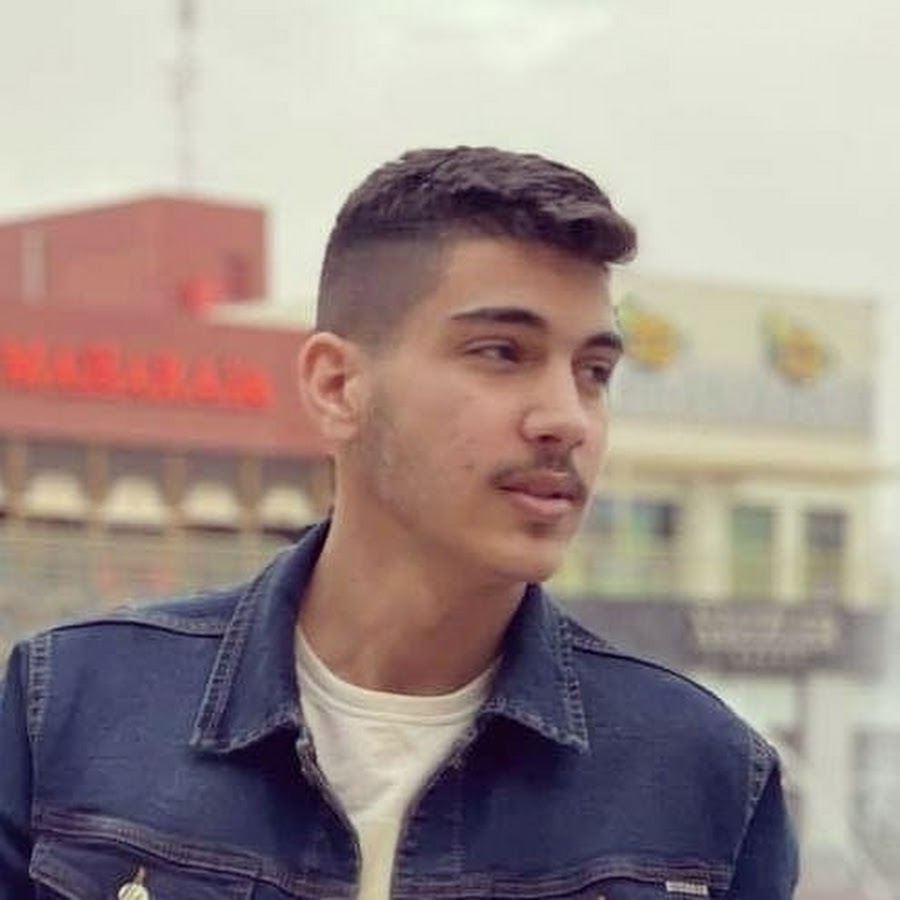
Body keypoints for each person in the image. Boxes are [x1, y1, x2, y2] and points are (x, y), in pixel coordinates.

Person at [0, 146, 798, 899]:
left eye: (594, 371)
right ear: (337, 387)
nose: (567, 417)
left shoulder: (706, 780)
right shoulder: (67, 709)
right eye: (501, 352)